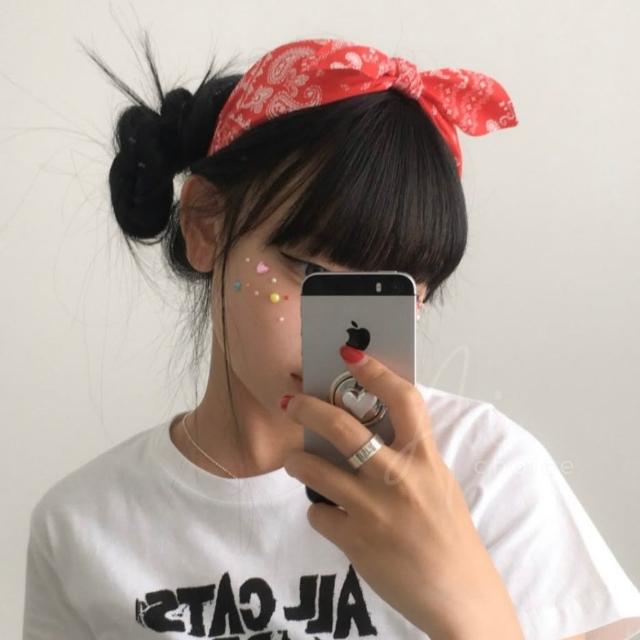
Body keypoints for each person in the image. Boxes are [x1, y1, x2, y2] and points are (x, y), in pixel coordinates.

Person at [22, 34, 640, 639]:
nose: (351, 335)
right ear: (205, 225)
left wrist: (466, 607)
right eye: (311, 271)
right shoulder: (83, 526)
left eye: (397, 288)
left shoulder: (486, 472)